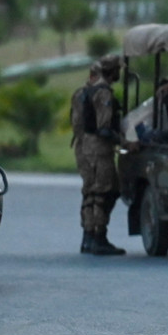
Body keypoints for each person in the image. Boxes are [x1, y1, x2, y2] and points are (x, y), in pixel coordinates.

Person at [78, 54, 126, 255]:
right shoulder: (104, 93)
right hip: (100, 150)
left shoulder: (88, 90)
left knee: (91, 192)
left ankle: (88, 236)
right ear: (113, 71)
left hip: (87, 148)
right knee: (104, 192)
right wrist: (125, 142)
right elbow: (104, 128)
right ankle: (99, 236)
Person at [71, 61, 102, 253]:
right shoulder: (93, 95)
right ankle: (93, 235)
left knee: (89, 191)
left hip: (82, 146)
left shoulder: (79, 94)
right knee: (95, 191)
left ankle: (88, 235)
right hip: (90, 146)